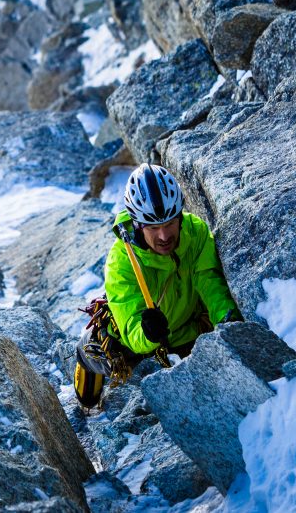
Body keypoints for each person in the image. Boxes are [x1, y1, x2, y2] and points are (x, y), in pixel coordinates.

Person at [73, 163, 241, 409]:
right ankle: (84, 358)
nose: (164, 236)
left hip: (188, 329)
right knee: (96, 366)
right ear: (138, 224)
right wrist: (148, 334)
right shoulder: (121, 262)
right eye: (153, 227)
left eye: (170, 223)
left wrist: (229, 321)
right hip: (143, 339)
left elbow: (210, 283)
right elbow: (131, 329)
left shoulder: (196, 233)